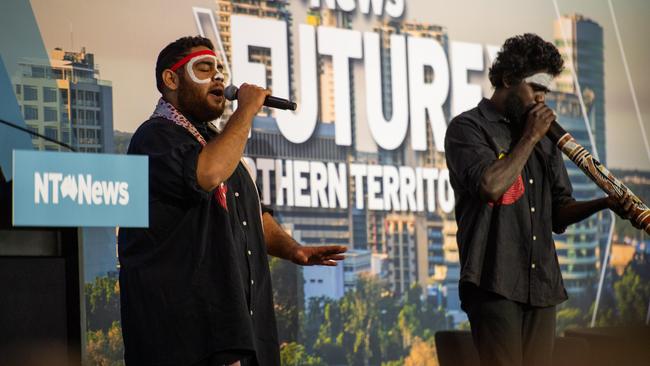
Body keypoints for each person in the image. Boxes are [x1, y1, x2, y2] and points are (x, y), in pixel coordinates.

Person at [118, 36, 347, 366]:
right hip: (187, 340)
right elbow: (207, 175)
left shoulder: (217, 144)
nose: (218, 78)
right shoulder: (155, 136)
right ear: (171, 79)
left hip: (237, 335)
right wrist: (247, 110)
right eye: (204, 68)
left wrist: (293, 249)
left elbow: (250, 214)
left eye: (220, 70)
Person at [444, 33, 639, 366]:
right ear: (508, 79)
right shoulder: (467, 128)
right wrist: (531, 136)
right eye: (535, 89)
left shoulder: (546, 140)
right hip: (494, 283)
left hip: (542, 284)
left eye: (545, 92)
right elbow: (491, 186)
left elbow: (559, 214)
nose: (541, 101)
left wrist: (604, 202)